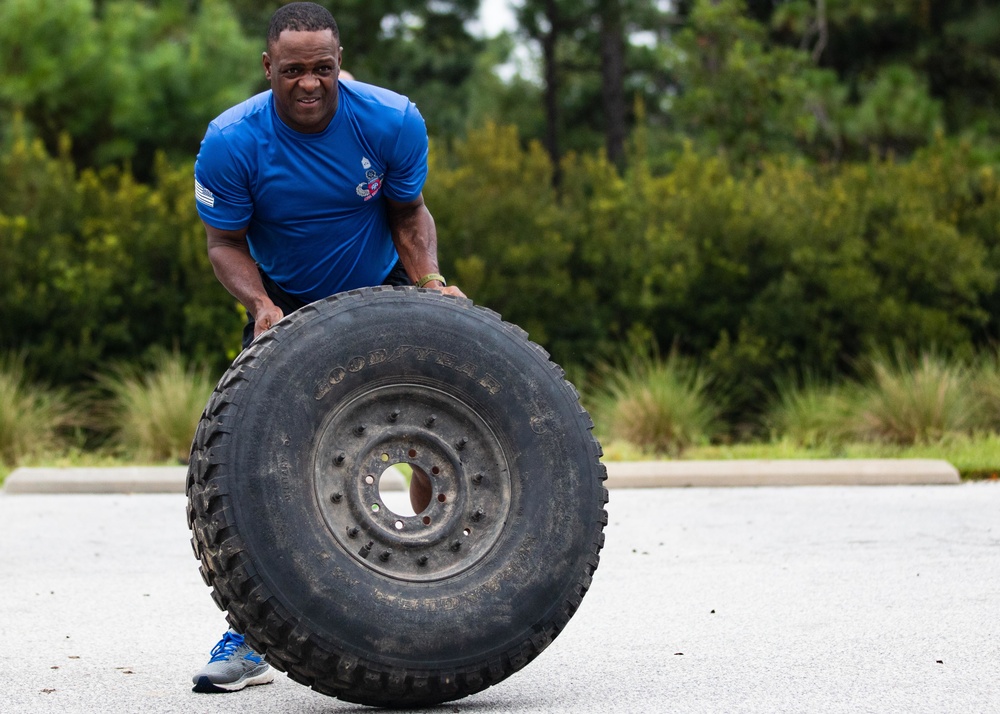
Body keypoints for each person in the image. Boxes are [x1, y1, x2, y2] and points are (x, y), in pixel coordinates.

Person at [189, 2, 463, 693]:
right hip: (285, 307)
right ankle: (251, 634)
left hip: (385, 289)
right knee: (258, 470)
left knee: (433, 435)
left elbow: (407, 211)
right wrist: (261, 309)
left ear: (340, 61)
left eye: (323, 68)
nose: (309, 83)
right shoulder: (233, 141)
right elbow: (225, 244)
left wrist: (430, 282)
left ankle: (452, 588)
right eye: (293, 71)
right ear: (268, 68)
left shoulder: (390, 120)